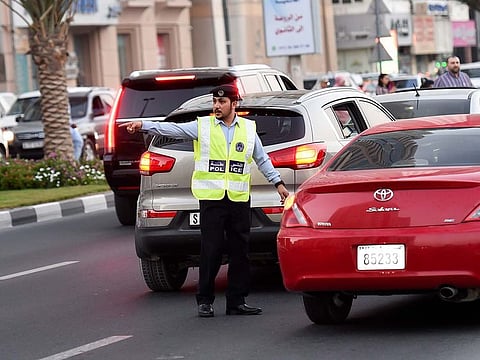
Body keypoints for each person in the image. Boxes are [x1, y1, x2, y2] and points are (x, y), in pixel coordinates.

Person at [120, 84, 289, 318]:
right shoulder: (204, 126)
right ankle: (205, 300)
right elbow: (172, 129)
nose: (216, 106)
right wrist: (143, 125)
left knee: (240, 250)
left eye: (221, 102)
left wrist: (278, 183)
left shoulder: (248, 130)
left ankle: (237, 301)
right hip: (212, 198)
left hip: (238, 197)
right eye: (214, 102)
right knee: (211, 249)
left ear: (234, 104)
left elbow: (262, 159)